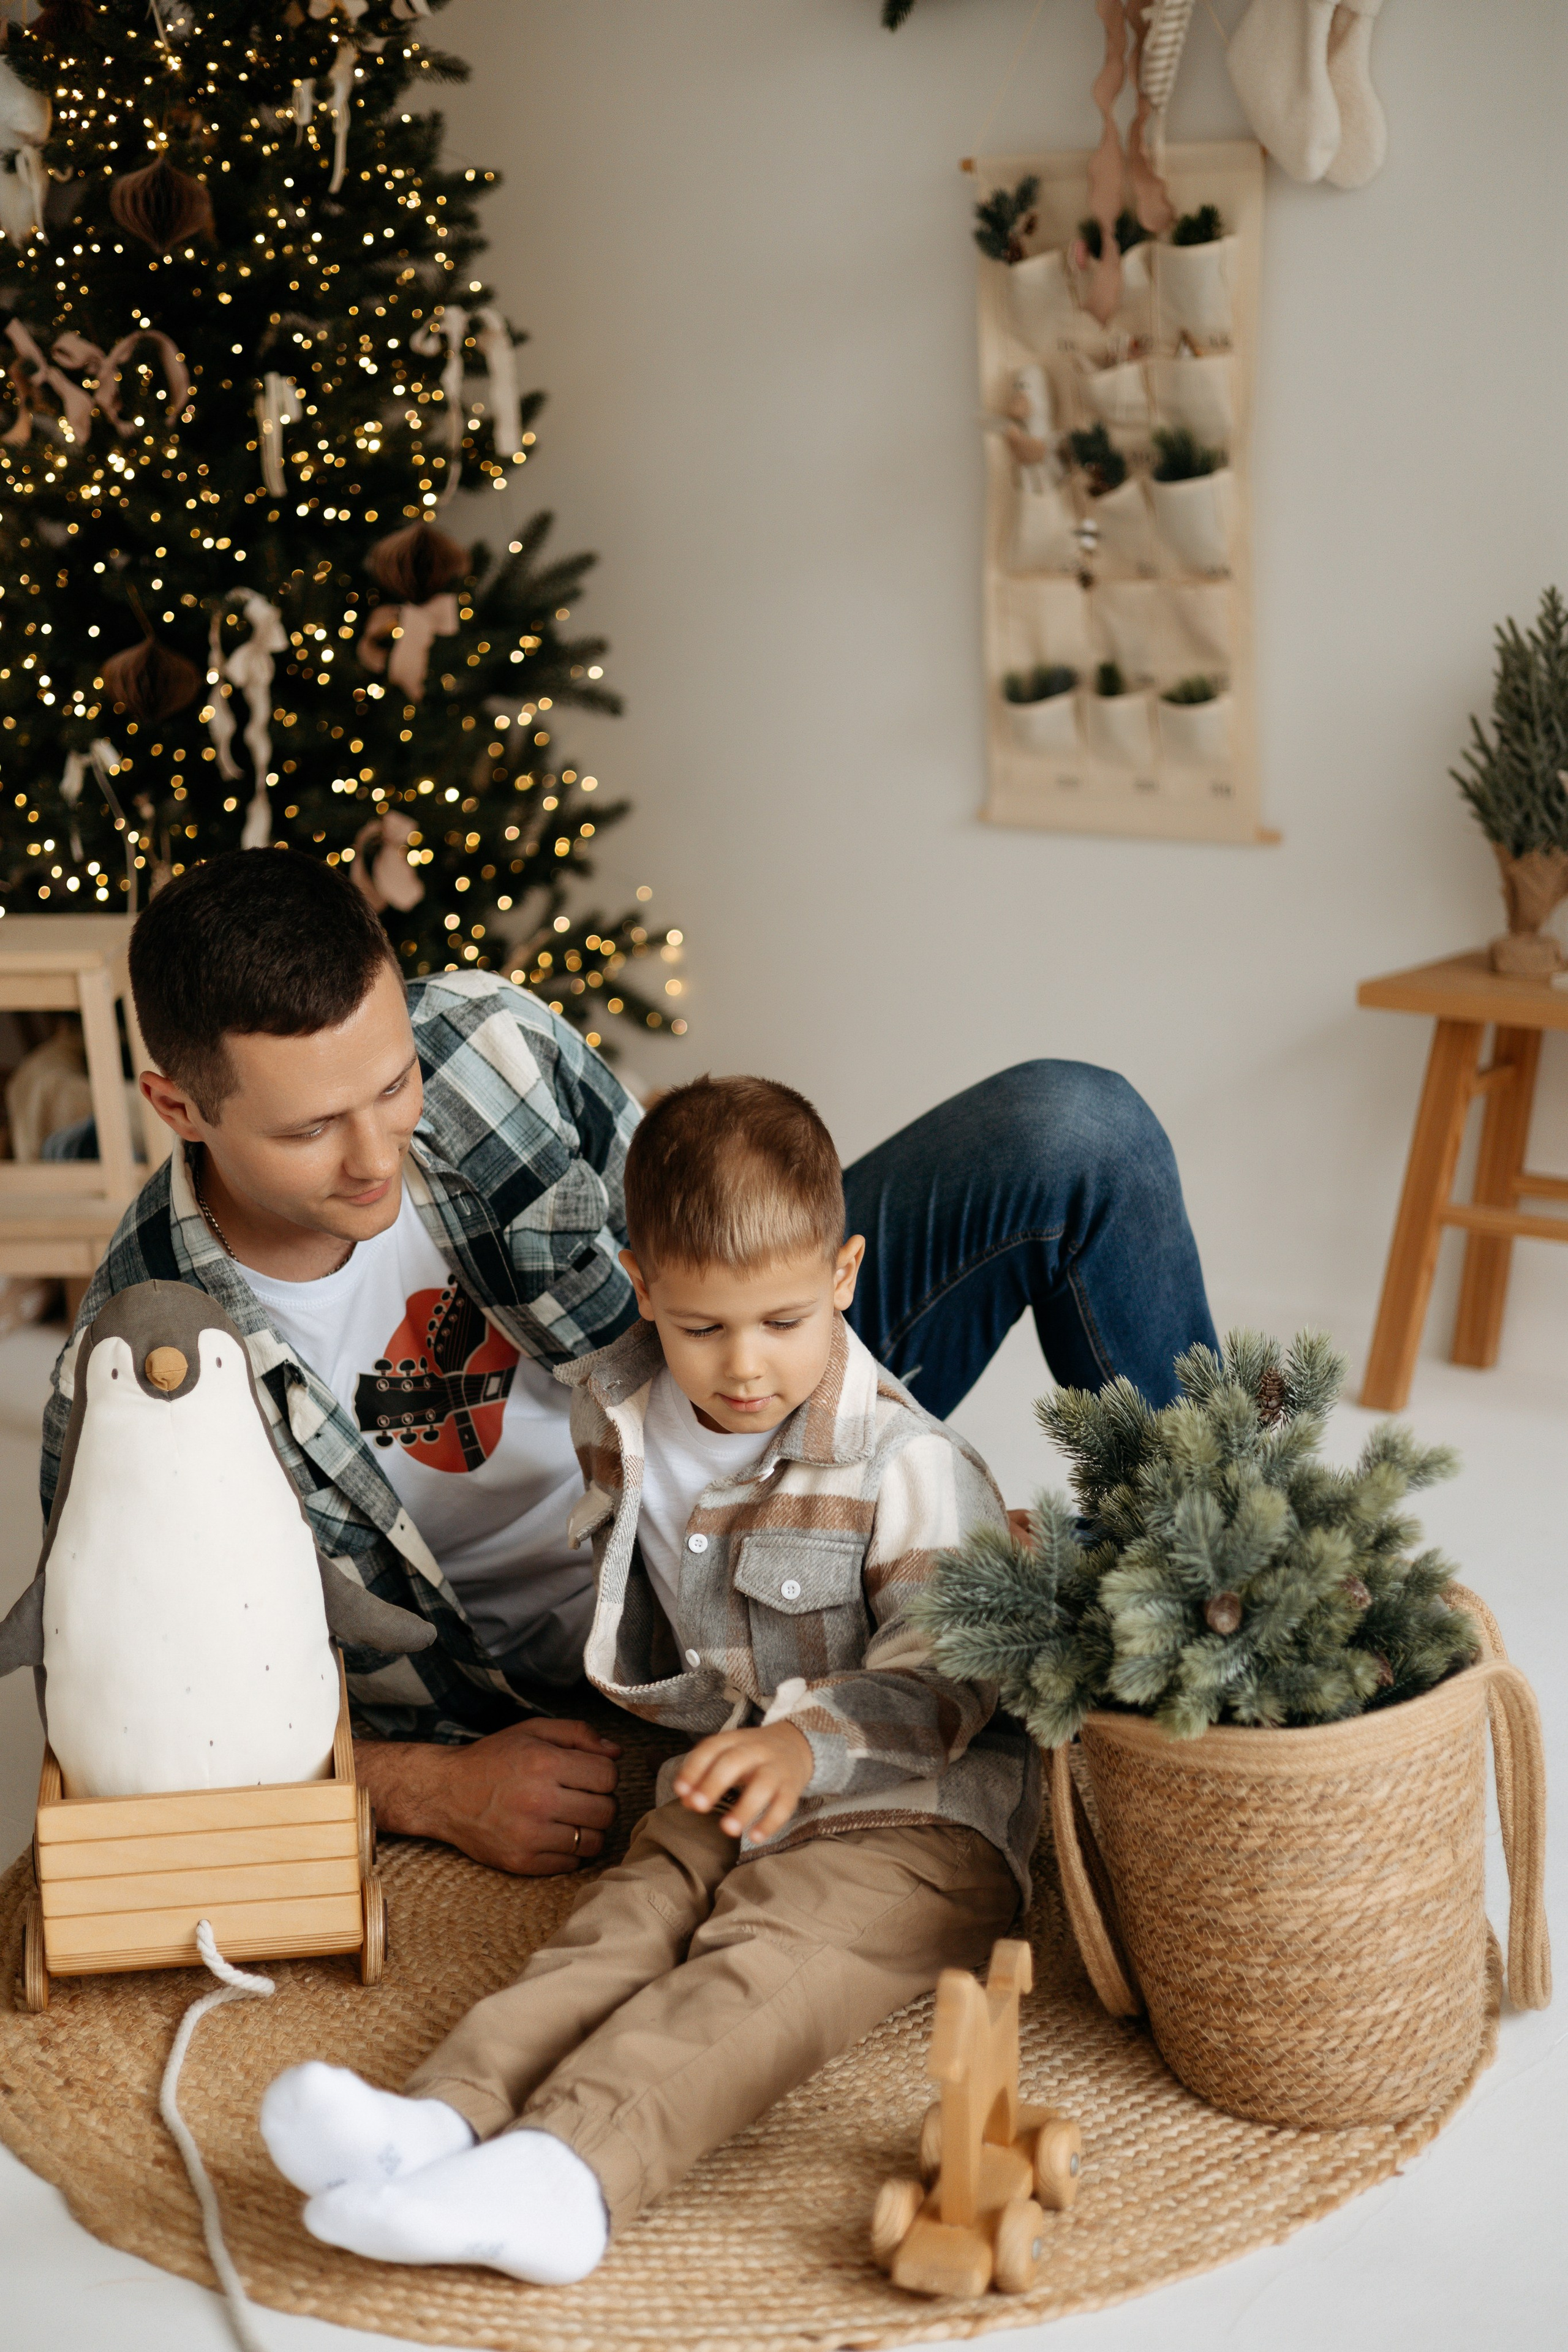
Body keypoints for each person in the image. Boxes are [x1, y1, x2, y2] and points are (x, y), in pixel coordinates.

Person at [41, 850, 1216, 1875]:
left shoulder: (490, 1043)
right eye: (308, 1130)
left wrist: (903, 1492)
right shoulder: (142, 1358)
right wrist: (423, 1791)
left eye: (391, 1085)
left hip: (739, 1414)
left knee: (1078, 1129)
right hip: (580, 1657)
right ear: (176, 1104)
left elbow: (701, 1252)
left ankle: (1244, 1609)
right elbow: (146, 1712)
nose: (373, 1157)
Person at [258, 1074, 1035, 2283]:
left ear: (842, 1275)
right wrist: (722, 1764)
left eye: (783, 1322)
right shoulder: (613, 1416)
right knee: (624, 1919)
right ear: (642, 1288)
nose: (743, 1366)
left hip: (913, 1815)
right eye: (702, 1326)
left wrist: (798, 1748)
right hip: (725, 1774)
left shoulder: (907, 1462)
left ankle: (569, 2171)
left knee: (763, 1964)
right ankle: (443, 2117)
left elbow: (954, 1679)